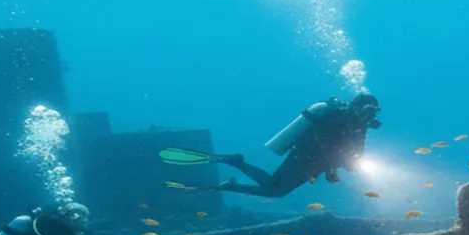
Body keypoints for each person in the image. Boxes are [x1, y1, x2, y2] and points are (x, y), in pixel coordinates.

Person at [159, 93, 382, 198]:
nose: (369, 116)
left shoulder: (357, 125)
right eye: (367, 110)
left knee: (275, 189)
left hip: (315, 164)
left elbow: (346, 152)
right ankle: (233, 175)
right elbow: (323, 143)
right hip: (304, 160)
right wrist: (331, 166)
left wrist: (334, 167)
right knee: (274, 190)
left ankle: (236, 168)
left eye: (373, 112)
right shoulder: (336, 118)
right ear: (357, 107)